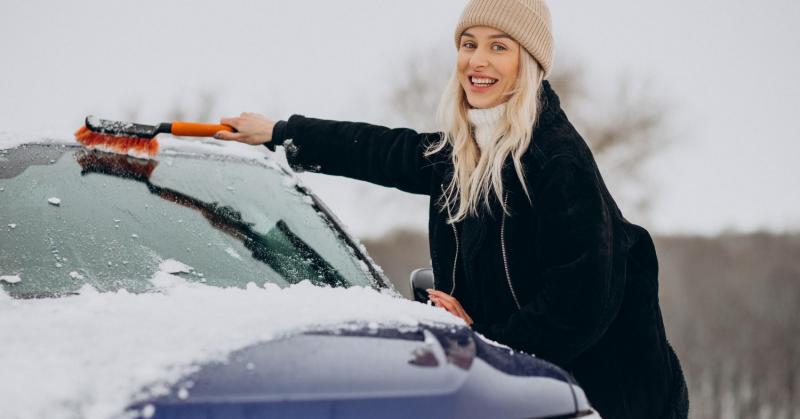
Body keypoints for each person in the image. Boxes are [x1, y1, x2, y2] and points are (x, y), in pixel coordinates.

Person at [214, 0, 689, 417]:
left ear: (530, 62)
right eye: (468, 43)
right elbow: (381, 150)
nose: (477, 60)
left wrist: (481, 339)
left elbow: (578, 307)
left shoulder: (557, 161)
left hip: (610, 399)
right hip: (524, 387)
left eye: (499, 47)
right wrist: (280, 132)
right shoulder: (467, 151)